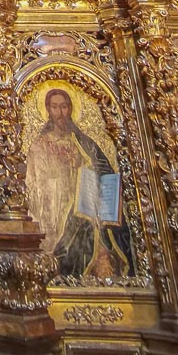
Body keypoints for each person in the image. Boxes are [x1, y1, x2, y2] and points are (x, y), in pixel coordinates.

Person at [25, 88, 132, 278]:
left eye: (64, 107)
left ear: (71, 109)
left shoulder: (84, 143)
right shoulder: (39, 145)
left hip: (86, 209)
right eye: (55, 107)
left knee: (100, 243)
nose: (60, 113)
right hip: (56, 210)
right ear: (48, 109)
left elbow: (105, 172)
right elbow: (34, 183)